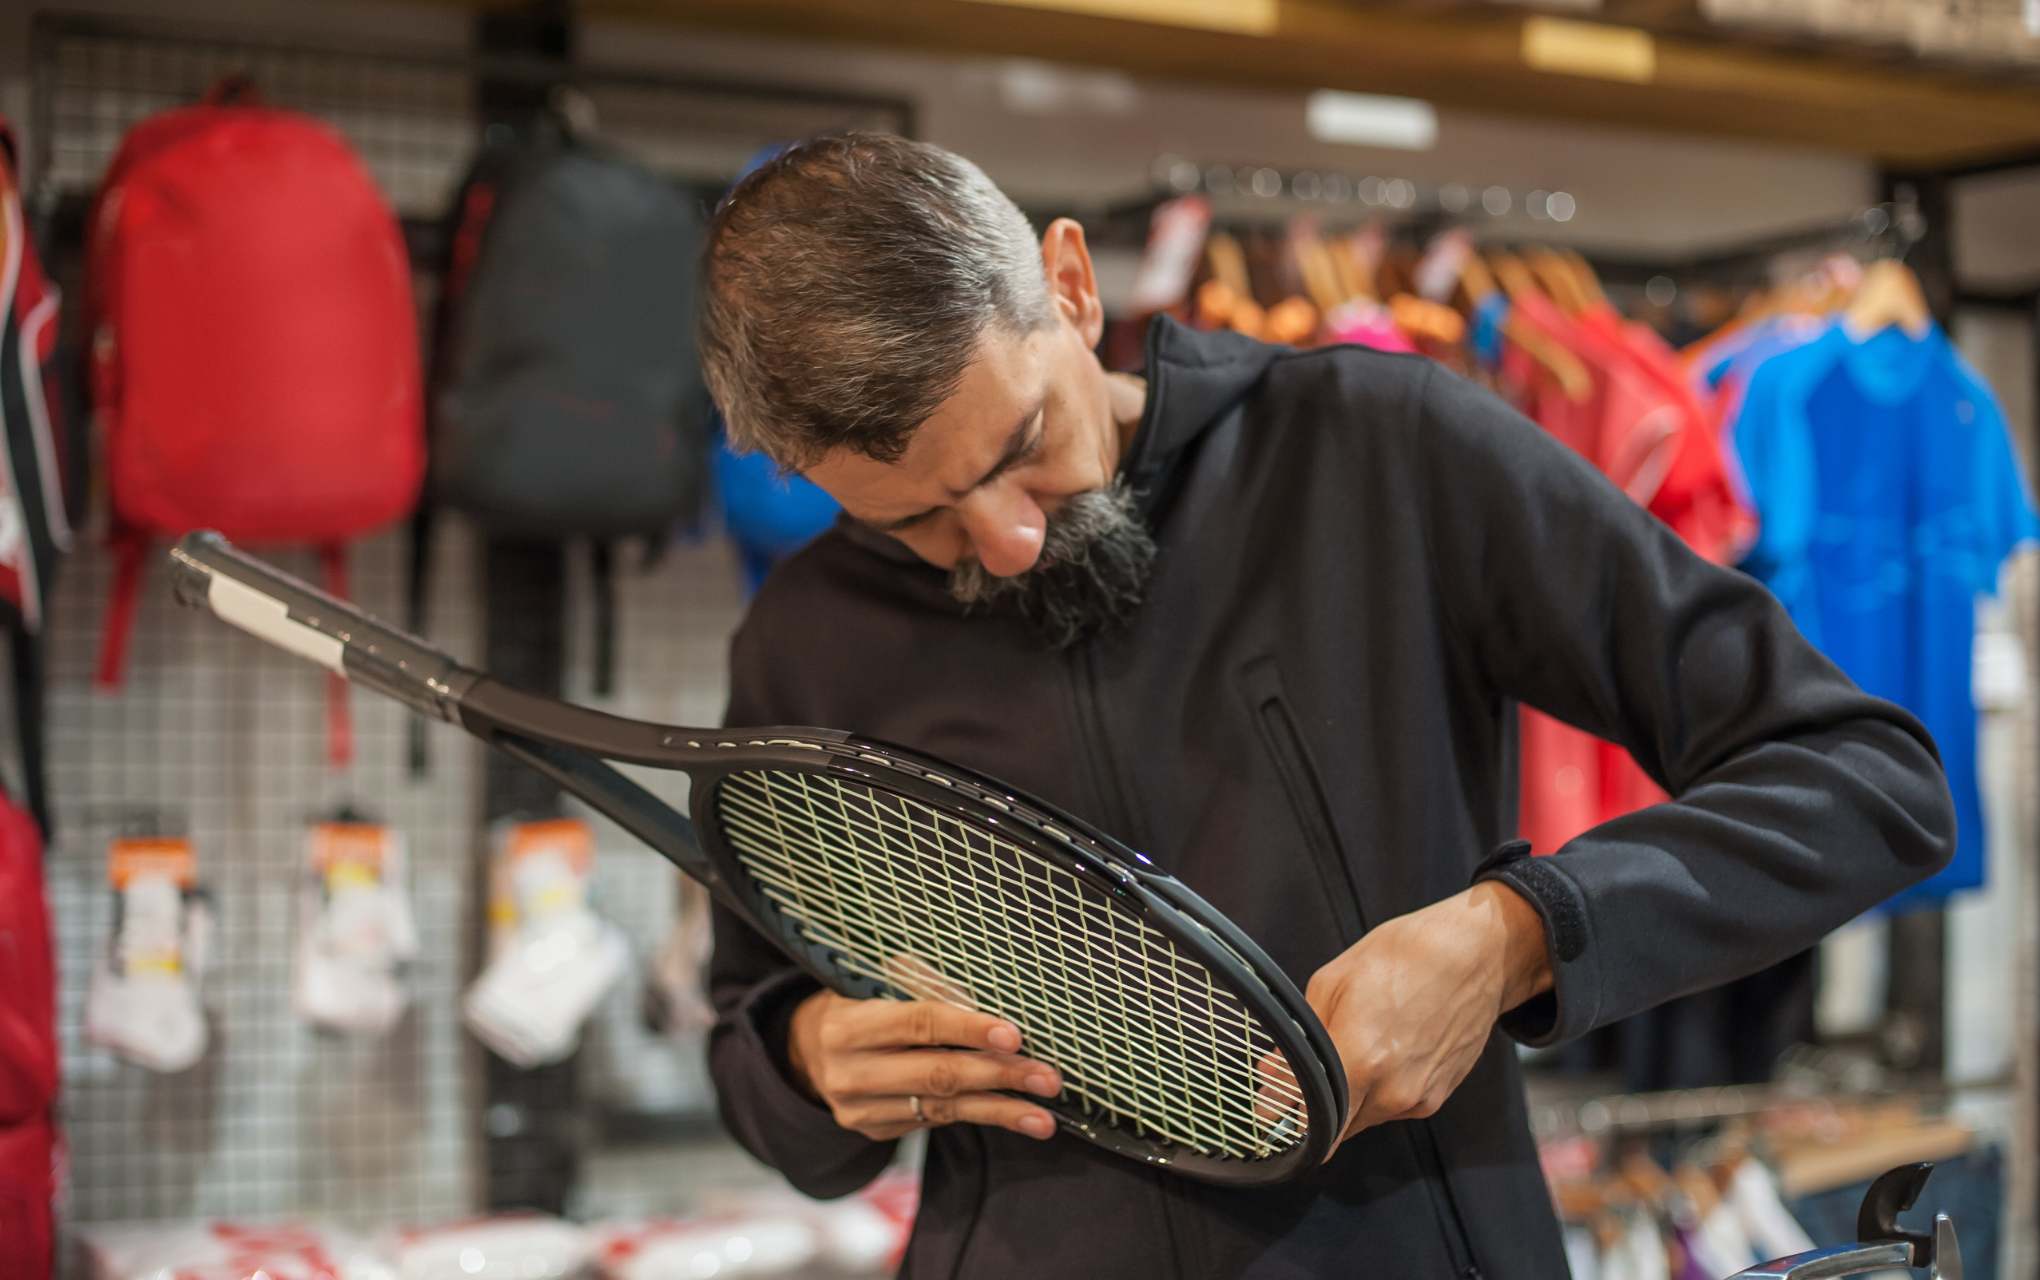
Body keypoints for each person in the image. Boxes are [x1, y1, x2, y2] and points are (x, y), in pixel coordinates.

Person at [696, 133, 1954, 1278]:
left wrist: (1517, 930)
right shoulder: (809, 638)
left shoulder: (1379, 452)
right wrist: (813, 1057)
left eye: (1025, 439)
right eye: (916, 519)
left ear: (1072, 286)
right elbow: (754, 1048)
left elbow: (1865, 782)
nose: (1009, 540)